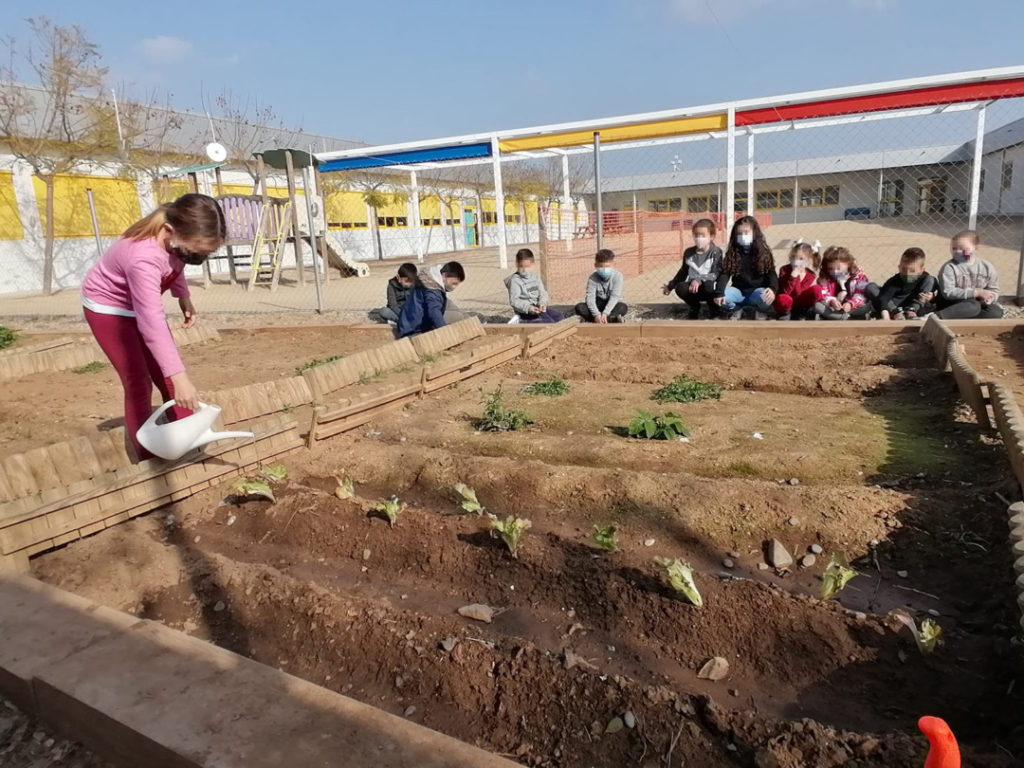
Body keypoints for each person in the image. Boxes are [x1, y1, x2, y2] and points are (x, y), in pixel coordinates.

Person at [81, 193, 226, 460]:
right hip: (109, 309)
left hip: (139, 305)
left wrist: (183, 296)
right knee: (139, 381)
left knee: (169, 377)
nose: (199, 256)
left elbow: (177, 264)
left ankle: (186, 440)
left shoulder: (174, 242)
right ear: (170, 231)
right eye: (198, 250)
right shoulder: (142, 258)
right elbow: (152, 323)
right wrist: (180, 378)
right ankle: (148, 454)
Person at [662, 218, 725, 319]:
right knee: (681, 288)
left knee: (709, 285)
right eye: (696, 235)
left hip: (709, 288)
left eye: (702, 235)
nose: (699, 238)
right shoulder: (689, 253)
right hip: (693, 288)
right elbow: (683, 272)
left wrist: (699, 279)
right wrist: (670, 286)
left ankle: (714, 309)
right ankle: (695, 307)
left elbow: (715, 273)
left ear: (712, 236)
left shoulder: (716, 252)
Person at [719, 216, 778, 320]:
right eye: (740, 233)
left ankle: (759, 310)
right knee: (722, 298)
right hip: (738, 291)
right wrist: (719, 293)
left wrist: (773, 289)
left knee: (765, 297)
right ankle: (736, 309)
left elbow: (771, 272)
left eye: (746, 232)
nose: (743, 236)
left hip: (756, 292)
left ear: (755, 233)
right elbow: (725, 273)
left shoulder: (764, 253)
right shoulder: (733, 253)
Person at [935, 230, 1002, 319]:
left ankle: (963, 320)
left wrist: (990, 298)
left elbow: (993, 289)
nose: (957, 251)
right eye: (954, 248)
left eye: (963, 249)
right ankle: (936, 317)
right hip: (952, 303)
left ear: (976, 248)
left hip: (976, 303)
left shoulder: (987, 267)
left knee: (995, 312)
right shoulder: (949, 267)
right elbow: (948, 292)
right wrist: (976, 293)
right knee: (973, 306)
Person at [396, 261, 465, 338]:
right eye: (454, 283)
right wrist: (445, 332)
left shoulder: (430, 282)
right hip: (413, 330)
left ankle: (467, 317)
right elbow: (434, 312)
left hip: (409, 324)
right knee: (457, 316)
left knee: (454, 311)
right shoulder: (432, 290)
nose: (454, 287)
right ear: (444, 275)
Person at [869, 247, 937, 320]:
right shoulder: (894, 281)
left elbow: (938, 298)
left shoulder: (926, 279)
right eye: (904, 269)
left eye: (912, 270)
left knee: (931, 279)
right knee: (871, 287)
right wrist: (886, 316)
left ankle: (912, 312)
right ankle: (896, 313)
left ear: (921, 270)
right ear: (899, 267)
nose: (907, 273)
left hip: (915, 308)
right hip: (895, 308)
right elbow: (884, 298)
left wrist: (932, 298)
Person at [812, 246, 873, 320]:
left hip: (853, 308)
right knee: (817, 306)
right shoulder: (825, 278)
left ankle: (841, 317)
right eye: (830, 269)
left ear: (848, 264)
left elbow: (861, 294)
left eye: (838, 268)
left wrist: (851, 304)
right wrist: (832, 301)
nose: (835, 272)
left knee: (867, 306)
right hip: (834, 309)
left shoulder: (858, 276)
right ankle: (845, 318)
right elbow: (824, 294)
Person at [505, 248, 563, 323]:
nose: (524, 270)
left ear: (533, 264)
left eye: (527, 267)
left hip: (538, 309)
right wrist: (529, 308)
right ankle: (520, 321)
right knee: (549, 322)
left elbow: (543, 293)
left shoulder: (535, 278)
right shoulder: (515, 280)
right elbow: (514, 301)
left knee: (559, 316)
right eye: (521, 267)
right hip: (525, 312)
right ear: (517, 264)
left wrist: (542, 303)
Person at [575, 249, 628, 323]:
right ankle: (609, 319)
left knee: (623, 307)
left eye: (607, 266)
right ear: (595, 265)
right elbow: (590, 298)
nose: (604, 269)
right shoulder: (592, 278)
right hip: (598, 305)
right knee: (579, 307)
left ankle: (601, 319)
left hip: (611, 306)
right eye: (601, 266)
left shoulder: (618, 276)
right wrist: (596, 314)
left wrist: (605, 313)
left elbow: (615, 297)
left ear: (613, 265)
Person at [774, 240, 820, 320]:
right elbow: (785, 292)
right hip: (787, 301)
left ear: (808, 260)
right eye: (793, 257)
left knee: (817, 289)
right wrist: (793, 277)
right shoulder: (784, 270)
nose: (796, 261)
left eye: (801, 258)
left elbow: (798, 294)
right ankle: (785, 313)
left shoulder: (810, 275)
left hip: (800, 302)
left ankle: (804, 312)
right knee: (783, 298)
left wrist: (797, 277)